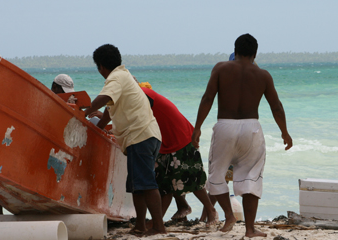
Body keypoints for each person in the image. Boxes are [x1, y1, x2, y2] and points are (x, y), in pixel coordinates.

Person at [191, 33, 293, 238]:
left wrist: (197, 128)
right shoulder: (263, 75)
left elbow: (207, 98)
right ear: (255, 54)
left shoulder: (220, 68)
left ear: (235, 50)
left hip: (224, 126)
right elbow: (277, 107)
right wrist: (285, 132)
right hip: (251, 129)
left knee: (216, 174)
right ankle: (250, 229)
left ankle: (229, 215)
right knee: (251, 178)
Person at [84, 44, 166, 236]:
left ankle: (158, 227)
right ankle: (140, 225)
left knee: (146, 183)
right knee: (136, 186)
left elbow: (103, 98)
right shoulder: (124, 75)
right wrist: (97, 129)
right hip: (145, 136)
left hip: (140, 136)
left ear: (101, 67)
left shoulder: (115, 77)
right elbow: (107, 113)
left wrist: (83, 112)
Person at [140, 86, 217, 228]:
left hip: (180, 136)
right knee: (166, 181)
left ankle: (210, 209)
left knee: (191, 177)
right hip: (165, 140)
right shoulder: (139, 94)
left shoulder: (142, 94)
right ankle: (172, 213)